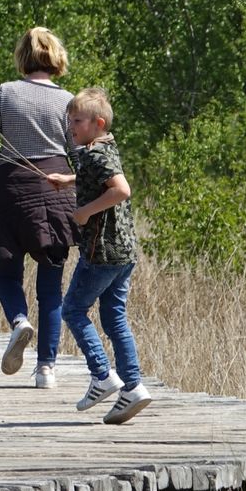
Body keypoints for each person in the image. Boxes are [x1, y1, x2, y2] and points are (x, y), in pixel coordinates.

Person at [0, 27, 77, 388]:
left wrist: (11, 158)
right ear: (55, 57)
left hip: (11, 192)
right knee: (51, 288)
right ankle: (46, 368)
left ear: (22, 57)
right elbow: (79, 156)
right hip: (57, 193)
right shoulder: (69, 102)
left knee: (8, 273)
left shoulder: (4, 93)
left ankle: (18, 321)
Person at [47, 87, 153, 424]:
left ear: (98, 123)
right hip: (124, 251)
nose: (71, 126)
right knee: (114, 317)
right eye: (69, 120)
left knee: (73, 310)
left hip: (101, 251)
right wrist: (69, 181)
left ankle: (102, 376)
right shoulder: (103, 148)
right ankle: (133, 387)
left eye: (77, 121)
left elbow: (121, 189)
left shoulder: (93, 154)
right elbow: (102, 177)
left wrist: (84, 214)